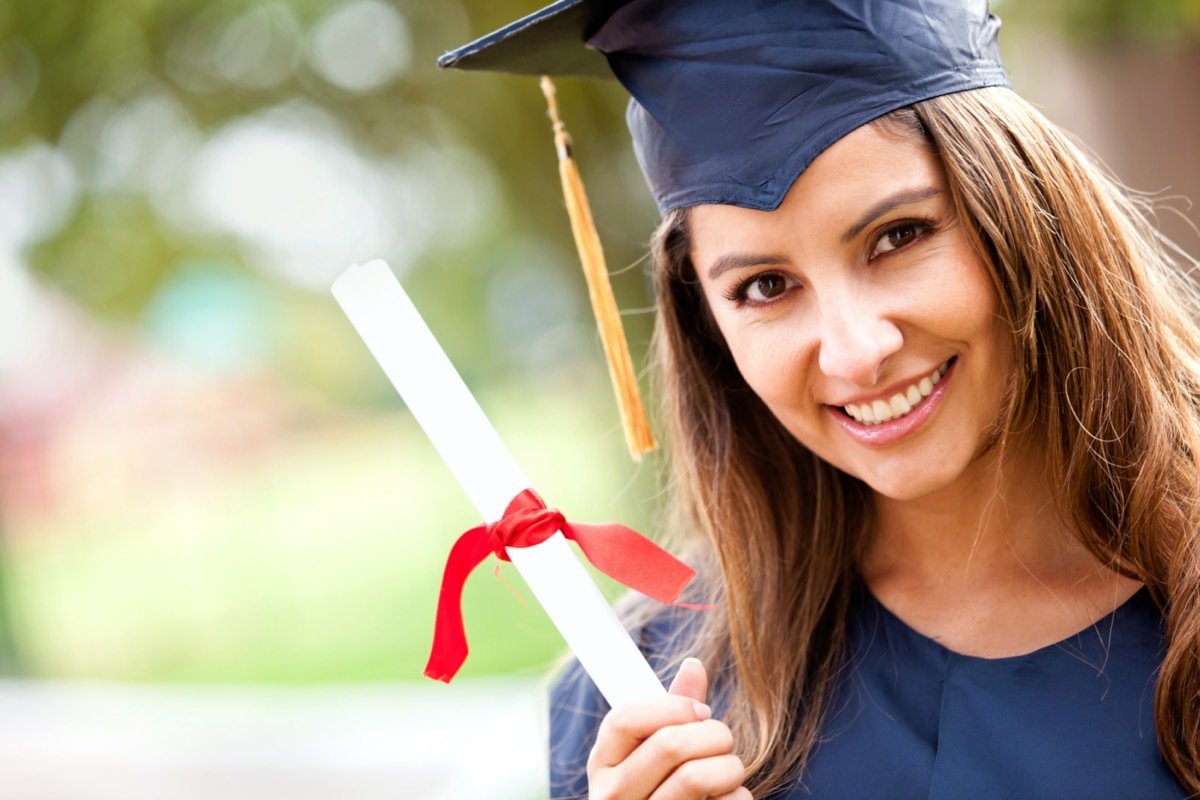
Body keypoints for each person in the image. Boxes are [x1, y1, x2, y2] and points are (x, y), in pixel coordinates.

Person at [442, 1, 1200, 797]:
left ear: (1027, 218)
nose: (855, 351)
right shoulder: (643, 706)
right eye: (765, 286)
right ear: (710, 328)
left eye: (899, 236)